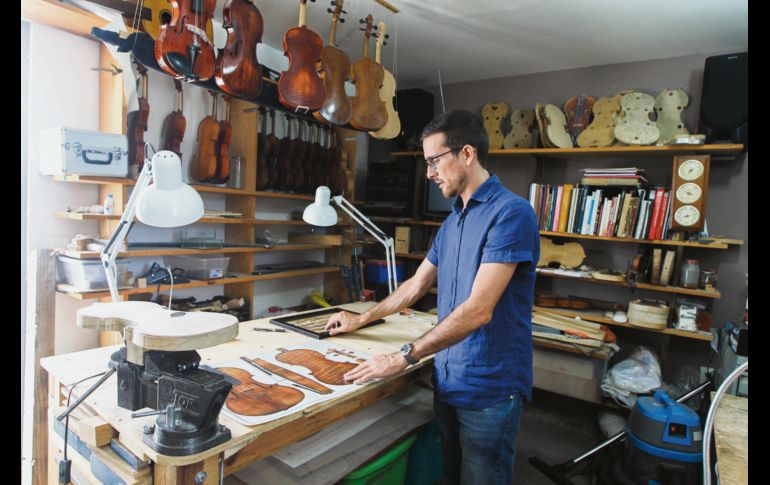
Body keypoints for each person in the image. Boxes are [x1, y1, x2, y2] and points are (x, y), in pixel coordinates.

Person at [324, 109, 540, 484]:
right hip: (448, 375)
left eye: (434, 161)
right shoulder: (453, 218)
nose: (429, 173)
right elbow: (416, 285)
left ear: (467, 154)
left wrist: (403, 356)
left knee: (482, 477)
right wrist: (361, 319)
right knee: (451, 473)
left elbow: (478, 311)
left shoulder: (511, 214)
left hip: (489, 385)